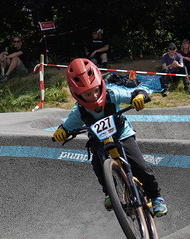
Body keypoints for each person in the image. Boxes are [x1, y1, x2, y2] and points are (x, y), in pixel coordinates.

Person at [52, 58, 168, 217]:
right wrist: (61, 132)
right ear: (77, 95)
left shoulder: (113, 94)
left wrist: (140, 97)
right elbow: (66, 126)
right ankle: (110, 192)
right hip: (98, 141)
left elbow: (135, 92)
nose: (93, 96)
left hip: (122, 135)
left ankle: (156, 197)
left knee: (141, 167)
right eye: (87, 94)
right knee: (97, 164)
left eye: (96, 90)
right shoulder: (79, 111)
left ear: (101, 85)